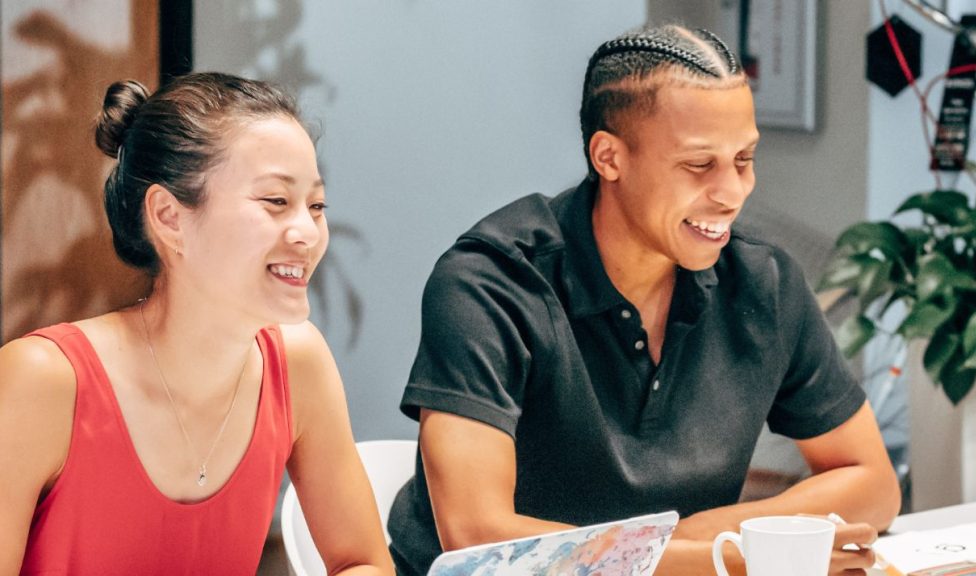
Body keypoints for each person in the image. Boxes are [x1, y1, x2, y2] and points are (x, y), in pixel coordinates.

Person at [387, 24, 901, 575]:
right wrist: (737, 559)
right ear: (609, 157)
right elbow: (479, 539)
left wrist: (702, 535)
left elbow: (871, 483)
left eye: (745, 158)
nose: (732, 192)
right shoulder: (490, 284)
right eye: (699, 165)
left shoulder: (764, 283)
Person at [0, 73, 394, 576]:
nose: (307, 233)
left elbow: (361, 562)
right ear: (168, 217)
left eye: (315, 206)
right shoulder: (42, 380)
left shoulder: (297, 362)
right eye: (276, 201)